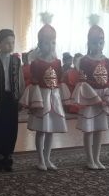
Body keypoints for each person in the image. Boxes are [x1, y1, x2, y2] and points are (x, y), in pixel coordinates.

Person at [20, 14, 71, 171]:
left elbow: (60, 80)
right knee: (41, 130)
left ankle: (48, 158)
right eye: (47, 43)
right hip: (41, 98)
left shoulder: (57, 62)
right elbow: (34, 83)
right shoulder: (36, 63)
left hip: (54, 98)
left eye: (53, 42)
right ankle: (40, 159)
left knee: (51, 131)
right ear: (40, 44)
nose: (50, 45)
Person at [72, 15, 109, 169]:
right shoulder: (84, 60)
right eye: (95, 43)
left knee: (99, 130)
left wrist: (107, 97)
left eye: (101, 42)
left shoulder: (107, 61)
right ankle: (90, 159)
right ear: (89, 43)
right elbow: (83, 83)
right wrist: (96, 98)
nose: (98, 46)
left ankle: (97, 158)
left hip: (103, 98)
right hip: (90, 98)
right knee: (89, 130)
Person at [0, 28, 25, 172]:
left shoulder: (16, 61)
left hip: (12, 99)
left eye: (13, 42)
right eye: (7, 42)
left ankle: (8, 158)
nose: (11, 45)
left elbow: (20, 81)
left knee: (11, 128)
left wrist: (21, 98)